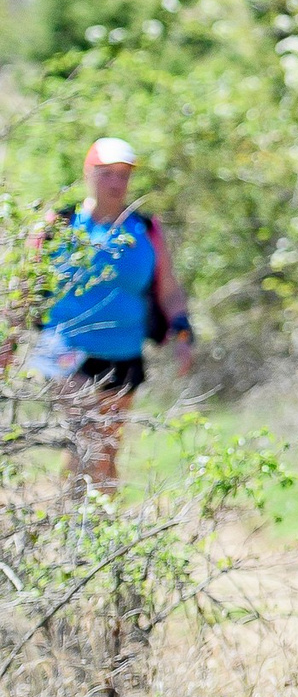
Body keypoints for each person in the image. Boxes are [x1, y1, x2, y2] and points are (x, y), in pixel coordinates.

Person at [32, 137, 193, 491]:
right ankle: (73, 527)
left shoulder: (146, 230)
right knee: (87, 433)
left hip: (123, 352)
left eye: (123, 175)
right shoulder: (60, 224)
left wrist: (182, 334)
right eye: (107, 174)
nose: (117, 183)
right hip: (64, 347)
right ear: (89, 173)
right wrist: (7, 342)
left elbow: (169, 290)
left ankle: (101, 532)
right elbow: (25, 288)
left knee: (107, 448)